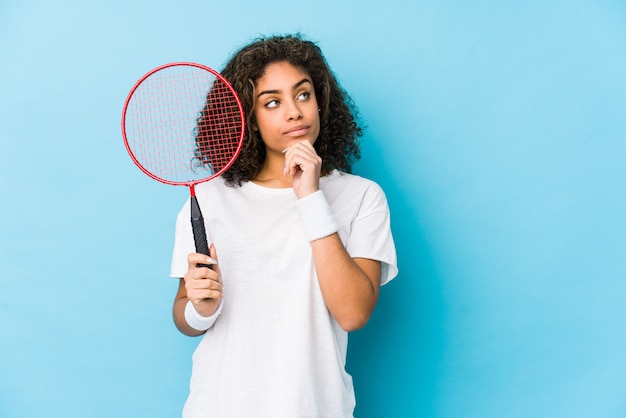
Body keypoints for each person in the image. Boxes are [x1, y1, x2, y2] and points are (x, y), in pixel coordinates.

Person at [169, 33, 398, 418]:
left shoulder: (362, 197)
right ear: (251, 120)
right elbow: (185, 316)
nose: (294, 112)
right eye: (272, 102)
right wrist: (200, 309)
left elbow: (353, 313)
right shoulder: (208, 199)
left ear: (321, 102)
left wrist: (310, 196)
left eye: (303, 94)